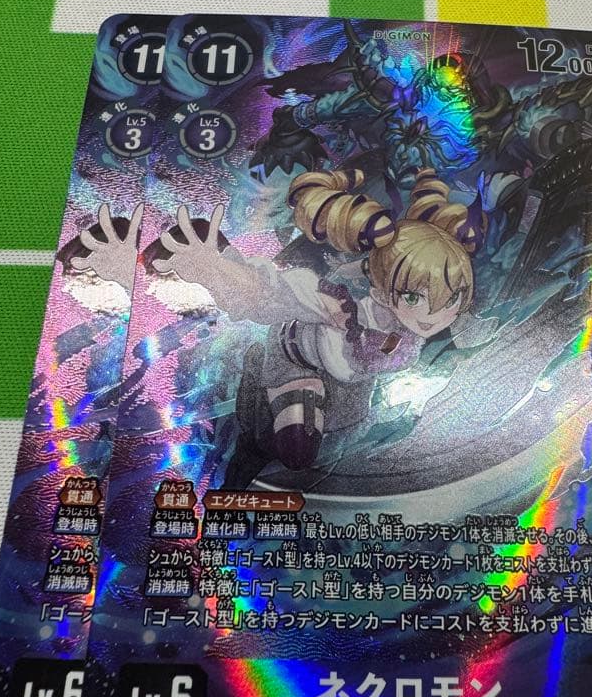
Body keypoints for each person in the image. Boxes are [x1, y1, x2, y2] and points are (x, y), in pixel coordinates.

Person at [153, 167, 485, 485]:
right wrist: (214, 267)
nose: (434, 313)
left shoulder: (411, 328)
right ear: (381, 292)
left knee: (339, 440)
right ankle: (255, 372)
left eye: (452, 298)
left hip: (348, 383)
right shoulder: (335, 300)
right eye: (413, 297)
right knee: (295, 449)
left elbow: (396, 353)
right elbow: (268, 294)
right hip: (296, 358)